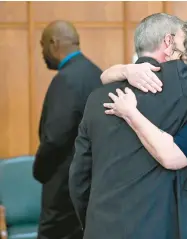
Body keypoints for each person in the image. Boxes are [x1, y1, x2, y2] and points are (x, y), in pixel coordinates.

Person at [69, 13, 187, 239]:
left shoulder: (97, 98)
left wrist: (89, 222)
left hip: (99, 228)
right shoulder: (185, 83)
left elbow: (79, 177)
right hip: (153, 227)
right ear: (169, 42)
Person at [33, 20, 102, 239]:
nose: (42, 52)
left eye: (42, 45)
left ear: (53, 43)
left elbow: (54, 139)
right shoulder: (96, 75)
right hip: (91, 186)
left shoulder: (65, 80)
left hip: (62, 192)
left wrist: (39, 171)